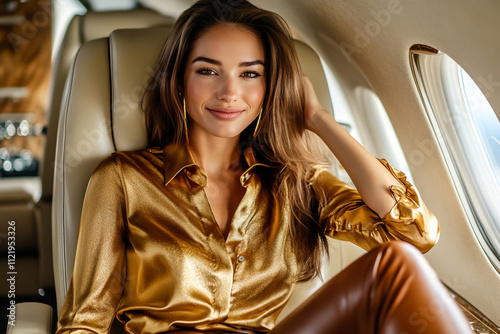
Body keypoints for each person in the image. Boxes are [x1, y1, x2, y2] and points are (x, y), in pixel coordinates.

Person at [56, 0, 472, 333]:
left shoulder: (294, 182)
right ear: (179, 80)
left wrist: (318, 120)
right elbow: (84, 322)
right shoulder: (123, 179)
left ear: (270, 88)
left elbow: (415, 234)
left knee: (395, 269)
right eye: (207, 71)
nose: (229, 93)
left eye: (250, 74)